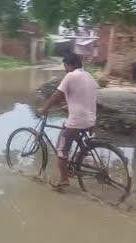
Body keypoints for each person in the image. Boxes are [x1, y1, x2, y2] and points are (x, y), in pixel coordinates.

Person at [37, 54, 98, 189]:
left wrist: (44, 108)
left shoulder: (71, 76)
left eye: (65, 67)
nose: (65, 70)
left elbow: (56, 96)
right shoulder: (89, 76)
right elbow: (82, 96)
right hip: (90, 119)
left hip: (78, 121)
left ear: (69, 65)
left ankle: (64, 180)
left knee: (61, 149)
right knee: (67, 128)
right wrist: (67, 106)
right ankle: (80, 158)